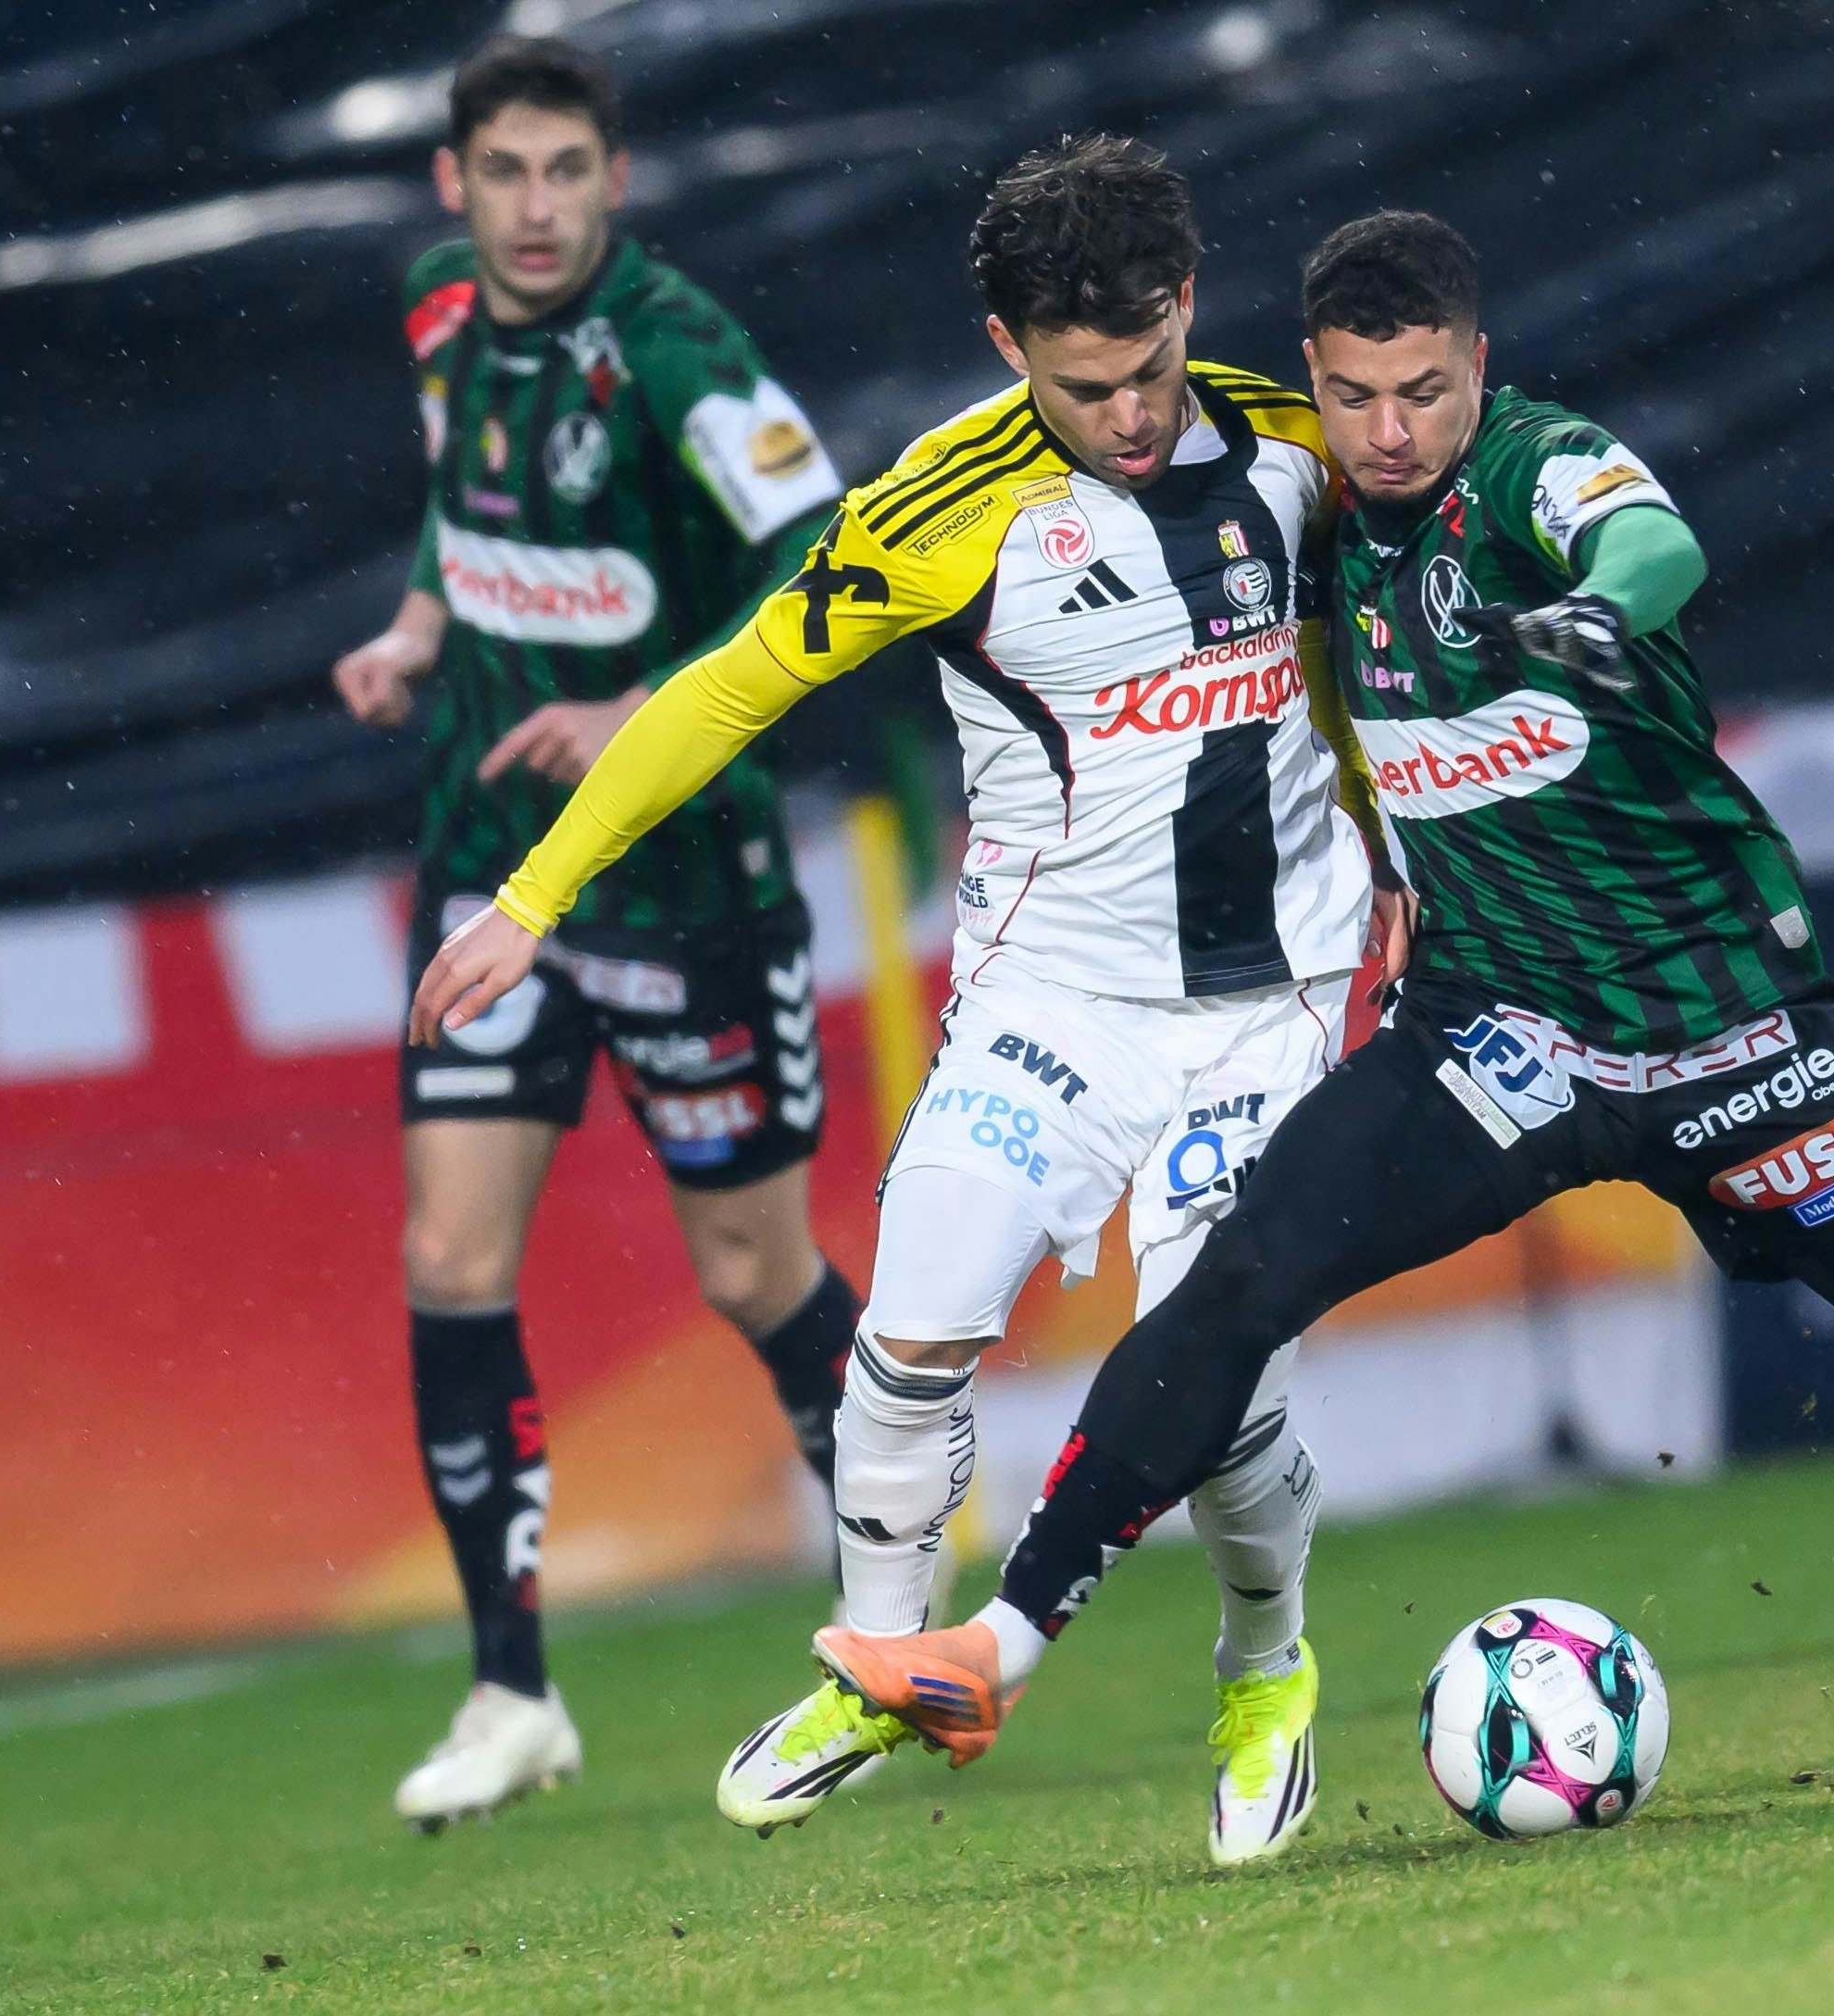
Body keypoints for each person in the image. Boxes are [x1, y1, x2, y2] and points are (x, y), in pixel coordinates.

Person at [805, 208, 1834, 1771]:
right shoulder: (1298, 516)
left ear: (1480, 364)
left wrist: (1597, 609)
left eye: (1426, 389)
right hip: (1496, 1040)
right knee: (1233, 1288)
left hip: (1732, 1037)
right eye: (1355, 395)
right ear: (1312, 380)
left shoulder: (1537, 470)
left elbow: (1653, 537)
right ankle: (993, 1652)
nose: (1390, 431)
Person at [411, 136, 1397, 1865]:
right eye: (1089, 388)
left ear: (1187, 301)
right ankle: (883, 1658)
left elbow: (1394, 651)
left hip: (1273, 994)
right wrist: (531, 894)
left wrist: (1410, 847)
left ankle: (1265, 1666)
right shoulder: (937, 514)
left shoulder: (1305, 443)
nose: (1138, 417)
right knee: (905, 1346)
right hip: (1051, 997)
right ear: (1010, 349)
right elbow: (723, 693)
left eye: (1157, 365)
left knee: (1215, 1375)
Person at [331, 35, 866, 1832]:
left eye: (570, 171)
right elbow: (460, 504)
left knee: (751, 1277)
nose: (538, 207)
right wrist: (418, 630)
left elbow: (834, 562)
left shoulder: (682, 354)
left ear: (616, 181)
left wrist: (640, 705)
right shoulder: (433, 319)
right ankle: (509, 1691)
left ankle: (905, 1588)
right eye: (507, 175)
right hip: (497, 871)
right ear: (451, 189)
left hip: (680, 886)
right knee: (448, 1259)